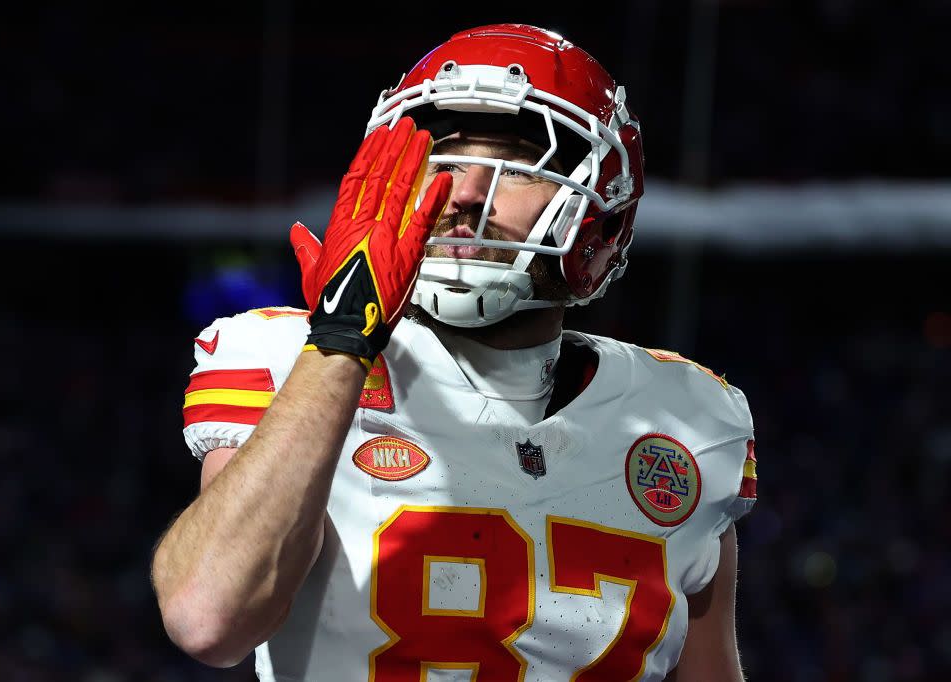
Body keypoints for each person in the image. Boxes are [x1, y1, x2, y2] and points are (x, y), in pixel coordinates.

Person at [151, 24, 758, 681]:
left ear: (601, 219)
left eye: (516, 166)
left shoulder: (691, 421)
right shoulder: (279, 354)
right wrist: (340, 340)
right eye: (441, 159)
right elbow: (206, 619)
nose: (465, 193)